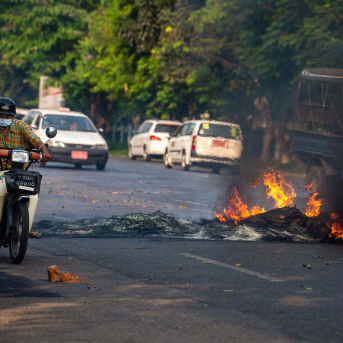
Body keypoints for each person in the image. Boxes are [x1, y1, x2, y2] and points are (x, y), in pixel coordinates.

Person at [0, 98, 52, 238]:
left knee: (33, 186)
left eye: (7, 116)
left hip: (18, 171)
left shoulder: (21, 126)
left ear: (13, 116)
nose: (4, 119)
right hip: (0, 172)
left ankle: (27, 223)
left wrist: (44, 151)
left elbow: (34, 138)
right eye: (1, 116)